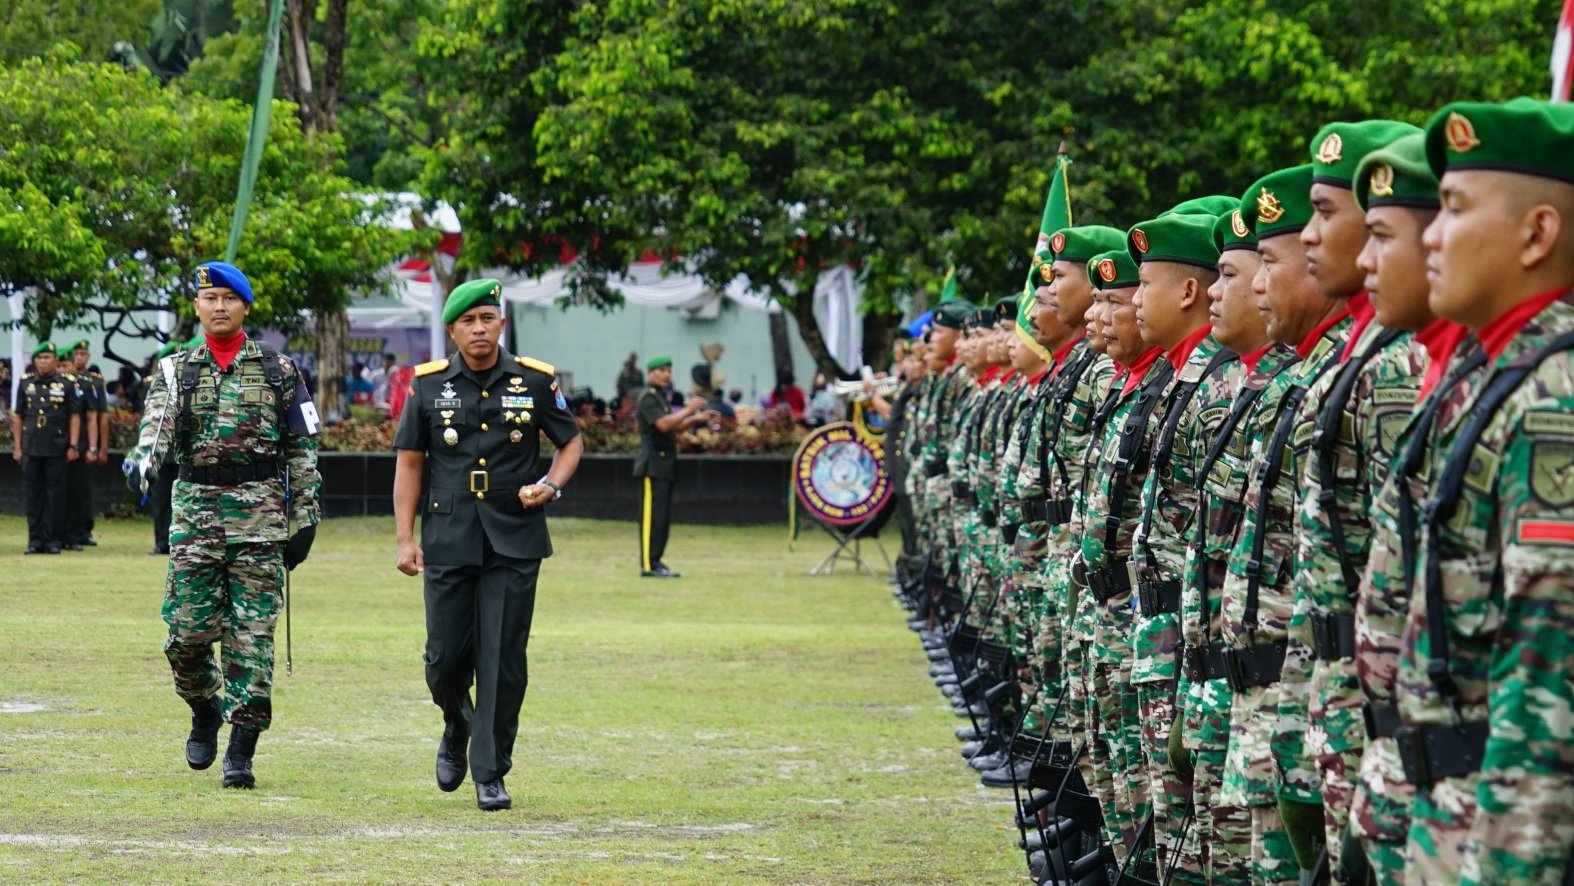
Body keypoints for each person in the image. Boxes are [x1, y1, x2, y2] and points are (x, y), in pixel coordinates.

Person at [125, 260, 322, 791]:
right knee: (185, 637)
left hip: (260, 518)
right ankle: (205, 707)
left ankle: (241, 747)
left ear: (245, 307)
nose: (218, 307)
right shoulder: (174, 371)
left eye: (228, 299)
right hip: (195, 519)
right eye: (209, 298)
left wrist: (304, 517)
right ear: (197, 307)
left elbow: (303, 450)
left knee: (252, 638)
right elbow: (156, 431)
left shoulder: (280, 371)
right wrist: (143, 460)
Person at [393, 278, 583, 812]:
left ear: (501, 323)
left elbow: (571, 441)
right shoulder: (427, 385)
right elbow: (410, 464)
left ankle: (490, 770)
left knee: (502, 657)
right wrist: (405, 537)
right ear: (452, 330)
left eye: (488, 319)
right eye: (468, 321)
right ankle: (457, 721)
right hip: (449, 532)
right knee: (445, 659)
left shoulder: (536, 381)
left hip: (515, 533)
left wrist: (550, 484)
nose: (479, 329)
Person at [634, 355, 710, 577]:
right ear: (650, 374)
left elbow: (673, 426)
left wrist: (696, 419)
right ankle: (648, 565)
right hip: (652, 464)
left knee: (662, 518)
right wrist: (690, 409)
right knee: (651, 517)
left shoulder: (660, 397)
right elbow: (663, 424)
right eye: (661, 370)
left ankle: (656, 561)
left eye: (668, 370)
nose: (666, 374)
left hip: (664, 464)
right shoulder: (648, 397)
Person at [13, 341, 81, 554]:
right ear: (34, 361)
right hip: (31, 447)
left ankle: (52, 540)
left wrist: (73, 445)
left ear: (55, 360)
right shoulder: (25, 384)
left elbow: (75, 417)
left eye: (47, 358)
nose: (43, 362)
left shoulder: (67, 384)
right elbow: (18, 417)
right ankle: (34, 540)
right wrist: (17, 447)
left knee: (56, 495)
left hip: (57, 447)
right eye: (39, 358)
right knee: (33, 496)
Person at [63, 339, 108, 548]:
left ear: (88, 357)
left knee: (84, 490)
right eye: (76, 354)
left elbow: (99, 418)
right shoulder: (63, 382)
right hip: (63, 442)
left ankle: (84, 530)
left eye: (83, 354)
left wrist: (99, 447)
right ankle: (68, 531)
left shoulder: (94, 382)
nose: (79, 358)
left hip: (83, 442)